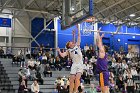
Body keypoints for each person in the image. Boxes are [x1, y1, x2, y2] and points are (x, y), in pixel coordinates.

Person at [57, 24, 83, 93]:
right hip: (74, 64)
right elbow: (62, 55)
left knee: (77, 79)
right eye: (70, 42)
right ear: (69, 45)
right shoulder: (68, 51)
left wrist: (78, 28)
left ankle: (75, 91)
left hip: (80, 64)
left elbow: (79, 36)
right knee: (71, 80)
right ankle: (70, 92)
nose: (72, 42)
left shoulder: (77, 45)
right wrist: (59, 51)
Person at [96, 28, 110, 93]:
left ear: (104, 49)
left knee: (103, 89)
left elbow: (99, 44)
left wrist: (98, 33)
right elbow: (99, 44)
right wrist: (101, 37)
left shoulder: (102, 52)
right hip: (106, 72)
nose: (101, 47)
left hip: (103, 73)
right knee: (106, 88)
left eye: (103, 47)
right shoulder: (104, 54)